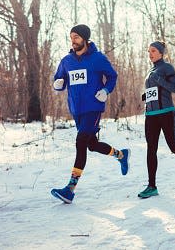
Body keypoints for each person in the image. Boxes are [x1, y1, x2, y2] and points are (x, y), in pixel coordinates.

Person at [51, 24, 130, 204]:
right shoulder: (66, 61)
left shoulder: (97, 58)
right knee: (92, 145)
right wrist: (58, 83)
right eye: (71, 37)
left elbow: (112, 76)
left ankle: (70, 189)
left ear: (85, 39)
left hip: (93, 106)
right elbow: (60, 79)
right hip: (76, 109)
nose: (73, 41)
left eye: (77, 37)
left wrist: (106, 90)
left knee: (80, 142)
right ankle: (121, 155)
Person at [138, 41, 175, 199]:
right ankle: (152, 186)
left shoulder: (167, 68)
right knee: (151, 149)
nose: (150, 54)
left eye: (153, 51)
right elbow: (155, 91)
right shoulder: (150, 70)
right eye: (148, 51)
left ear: (160, 53)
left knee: (173, 147)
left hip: (166, 113)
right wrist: (147, 95)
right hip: (151, 114)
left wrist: (160, 81)